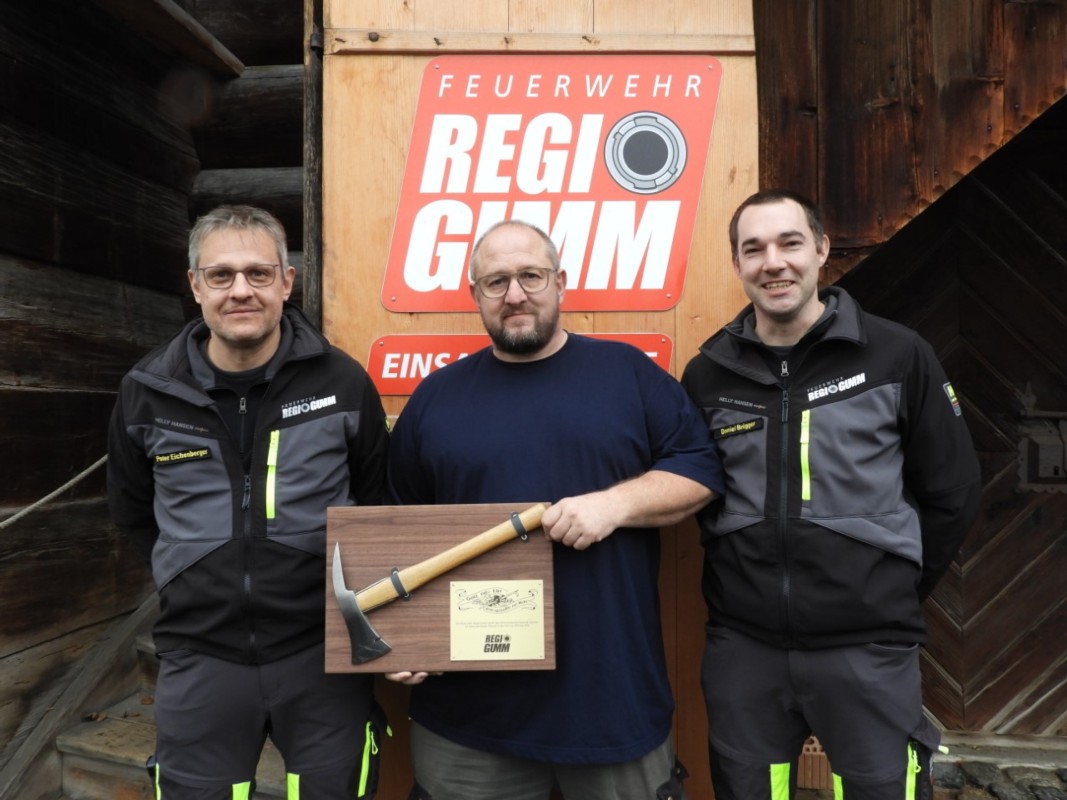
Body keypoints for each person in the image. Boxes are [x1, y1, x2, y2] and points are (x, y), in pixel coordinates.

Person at [385, 219, 725, 800]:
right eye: (496, 281)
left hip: (610, 707)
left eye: (531, 276)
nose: (515, 294)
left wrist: (615, 504)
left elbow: (700, 471)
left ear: (561, 282)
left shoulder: (627, 374)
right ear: (475, 294)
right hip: (469, 720)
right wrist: (404, 640)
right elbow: (397, 533)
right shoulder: (436, 398)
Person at [681, 190, 982, 800]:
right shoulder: (709, 374)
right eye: (754, 249)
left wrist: (886, 589)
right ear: (737, 264)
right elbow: (698, 495)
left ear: (820, 249)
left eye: (790, 243)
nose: (773, 262)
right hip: (745, 652)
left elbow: (953, 491)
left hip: (867, 650)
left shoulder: (896, 355)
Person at [106, 205, 389, 799]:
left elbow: (377, 503)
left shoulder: (341, 383)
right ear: (195, 286)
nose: (241, 290)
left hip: (322, 653)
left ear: (287, 282)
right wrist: (197, 574)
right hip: (199, 655)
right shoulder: (147, 391)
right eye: (221, 275)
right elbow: (134, 514)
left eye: (259, 273)